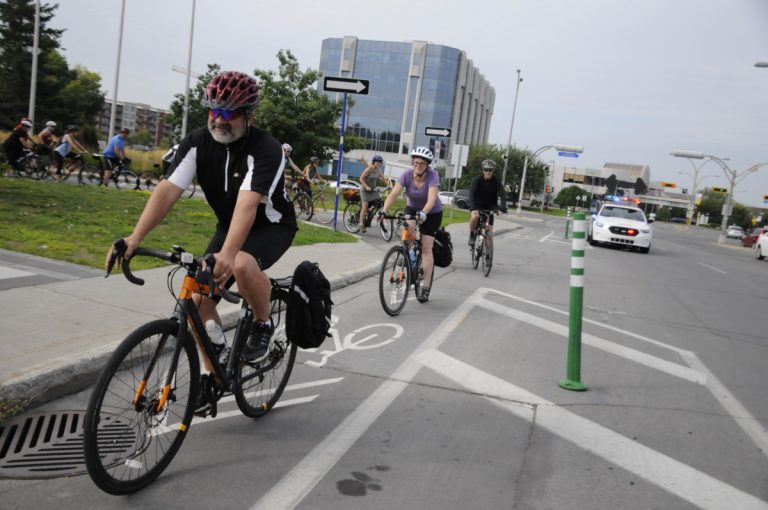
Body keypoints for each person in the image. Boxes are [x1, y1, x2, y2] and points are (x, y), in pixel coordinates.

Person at [105, 70, 296, 394]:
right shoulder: (197, 142)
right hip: (228, 225)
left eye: (229, 114)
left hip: (271, 225)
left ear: (249, 116)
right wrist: (135, 238)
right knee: (197, 299)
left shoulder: (266, 148)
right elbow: (168, 190)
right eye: (214, 111)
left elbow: (248, 204)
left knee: (240, 264)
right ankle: (214, 368)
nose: (219, 120)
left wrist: (228, 254)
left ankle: (263, 323)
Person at [380, 146, 442, 302]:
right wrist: (383, 211)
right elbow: (394, 193)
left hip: (432, 212)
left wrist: (424, 212)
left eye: (422, 163)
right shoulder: (406, 175)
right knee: (407, 234)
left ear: (427, 165)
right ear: (413, 162)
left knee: (426, 247)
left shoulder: (433, 176)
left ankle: (425, 287)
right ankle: (406, 253)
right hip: (413, 207)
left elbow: (432, 199)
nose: (418, 165)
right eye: (416, 162)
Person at [468, 159, 508, 245]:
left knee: (489, 230)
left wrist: (503, 206)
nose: (488, 172)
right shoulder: (477, 180)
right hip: (477, 205)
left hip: (491, 206)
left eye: (490, 170)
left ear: (493, 170)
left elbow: (502, 194)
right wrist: (472, 208)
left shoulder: (496, 181)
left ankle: (488, 251)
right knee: (474, 217)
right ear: (483, 170)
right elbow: (471, 194)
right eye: (486, 170)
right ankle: (472, 234)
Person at [358, 155, 390, 233]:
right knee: (365, 206)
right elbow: (361, 179)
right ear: (374, 162)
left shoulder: (378, 170)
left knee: (378, 202)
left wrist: (389, 186)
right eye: (377, 162)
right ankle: (361, 223)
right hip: (365, 190)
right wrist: (366, 186)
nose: (378, 163)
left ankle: (370, 212)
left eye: (380, 162)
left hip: (373, 190)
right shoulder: (369, 169)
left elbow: (383, 179)